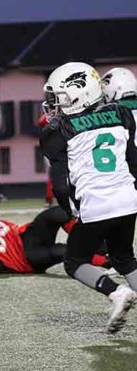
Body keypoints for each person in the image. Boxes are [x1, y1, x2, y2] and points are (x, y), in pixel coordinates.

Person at [41, 61, 137, 334]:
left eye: (57, 99)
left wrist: (72, 210)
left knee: (74, 261)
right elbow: (133, 161)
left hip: (96, 204)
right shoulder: (120, 113)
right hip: (128, 199)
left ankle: (116, 292)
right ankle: (123, 287)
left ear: (78, 93)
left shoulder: (57, 131)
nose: (54, 106)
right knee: (124, 258)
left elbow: (61, 184)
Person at [0, 202, 107, 275]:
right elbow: (3, 270)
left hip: (26, 235)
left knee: (57, 213)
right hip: (26, 258)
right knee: (64, 251)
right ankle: (109, 262)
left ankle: (100, 246)